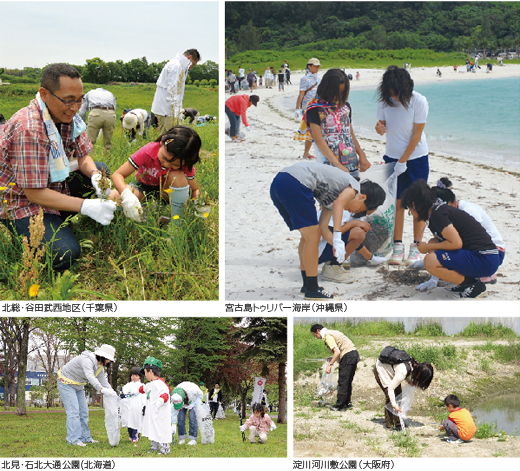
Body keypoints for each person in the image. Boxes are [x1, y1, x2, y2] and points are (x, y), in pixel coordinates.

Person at [0, 63, 117, 272]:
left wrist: (96, 175)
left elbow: (83, 156)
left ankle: (58, 217)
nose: (75, 107)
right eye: (69, 100)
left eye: (80, 100)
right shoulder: (30, 129)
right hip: (20, 200)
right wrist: (86, 206)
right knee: (65, 254)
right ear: (44, 94)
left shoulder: (67, 116)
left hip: (50, 185)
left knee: (101, 169)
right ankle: (34, 228)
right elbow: (34, 193)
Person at [270, 161, 385, 300]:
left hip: (280, 181)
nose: (353, 211)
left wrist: (336, 244)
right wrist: (337, 236)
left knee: (308, 236)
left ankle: (307, 285)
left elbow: (323, 228)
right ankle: (312, 289)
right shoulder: (354, 187)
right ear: (362, 197)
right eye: (359, 210)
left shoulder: (331, 197)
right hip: (296, 182)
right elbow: (339, 203)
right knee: (312, 237)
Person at [401, 179, 501, 298]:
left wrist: (427, 247)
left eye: (410, 210)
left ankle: (473, 285)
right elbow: (443, 242)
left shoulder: (438, 215)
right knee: (434, 242)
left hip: (484, 258)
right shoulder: (436, 211)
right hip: (483, 256)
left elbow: (456, 243)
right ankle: (466, 281)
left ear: (414, 205)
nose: (411, 213)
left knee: (430, 261)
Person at [375, 65, 429, 266]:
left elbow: (416, 135)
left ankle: (416, 246)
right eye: (391, 94)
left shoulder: (419, 101)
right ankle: (397, 246)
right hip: (392, 157)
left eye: (397, 94)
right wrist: (380, 128)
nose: (394, 98)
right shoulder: (384, 101)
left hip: (416, 158)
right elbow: (381, 125)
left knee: (417, 204)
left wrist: (404, 160)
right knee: (397, 204)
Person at [110, 125, 201, 222]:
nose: (166, 164)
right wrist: (126, 195)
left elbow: (195, 189)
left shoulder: (185, 161)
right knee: (113, 197)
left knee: (177, 176)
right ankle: (152, 208)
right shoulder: (147, 151)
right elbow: (117, 175)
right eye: (164, 157)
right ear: (162, 142)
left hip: (168, 192)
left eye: (174, 164)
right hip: (144, 188)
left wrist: (199, 202)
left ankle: (176, 219)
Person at [304, 69, 371, 178]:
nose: (337, 97)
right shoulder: (314, 110)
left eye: (342, 94)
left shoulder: (346, 107)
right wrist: (337, 165)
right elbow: (319, 140)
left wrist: (361, 154)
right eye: (335, 93)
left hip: (351, 162)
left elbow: (350, 135)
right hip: (329, 165)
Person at [57, 344, 117, 446]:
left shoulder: (100, 367)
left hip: (79, 385)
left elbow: (104, 381)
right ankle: (73, 439)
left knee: (84, 412)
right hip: (66, 383)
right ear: (102, 357)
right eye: (108, 360)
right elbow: (90, 377)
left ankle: (85, 437)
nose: (109, 362)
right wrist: (101, 390)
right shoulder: (87, 360)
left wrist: (113, 392)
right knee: (74, 411)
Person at [317, 207, 387, 283]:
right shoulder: (343, 209)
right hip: (317, 250)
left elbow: (353, 241)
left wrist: (371, 258)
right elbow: (326, 232)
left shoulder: (356, 211)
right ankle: (333, 268)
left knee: (358, 232)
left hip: (321, 248)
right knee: (358, 232)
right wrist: (352, 224)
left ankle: (331, 265)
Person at [373, 348, 434, 430]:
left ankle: (397, 422)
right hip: (381, 369)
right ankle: (390, 424)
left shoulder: (414, 365)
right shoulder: (402, 372)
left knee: (399, 395)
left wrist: (409, 381)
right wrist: (394, 406)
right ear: (420, 374)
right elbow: (391, 388)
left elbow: (406, 371)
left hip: (391, 370)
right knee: (390, 397)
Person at [310, 324, 359, 411]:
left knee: (342, 382)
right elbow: (339, 350)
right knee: (347, 381)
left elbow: (337, 352)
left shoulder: (327, 336)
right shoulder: (332, 332)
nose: (317, 337)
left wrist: (330, 365)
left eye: (315, 335)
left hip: (347, 357)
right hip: (354, 355)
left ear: (318, 331)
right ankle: (347, 403)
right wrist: (332, 358)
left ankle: (340, 406)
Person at [151, 49, 200, 133]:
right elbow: (173, 91)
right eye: (193, 64)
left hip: (164, 110)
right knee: (177, 137)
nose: (191, 67)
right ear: (189, 57)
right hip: (168, 111)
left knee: (164, 138)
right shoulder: (176, 66)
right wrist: (177, 113)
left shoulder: (176, 65)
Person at [139, 356, 172, 454]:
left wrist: (160, 401)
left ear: (150, 371)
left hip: (160, 412)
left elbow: (166, 393)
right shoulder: (151, 384)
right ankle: (155, 446)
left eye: (145, 372)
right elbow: (143, 389)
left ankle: (165, 448)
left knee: (161, 429)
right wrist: (137, 389)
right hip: (152, 412)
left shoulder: (160, 384)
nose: (144, 375)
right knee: (152, 428)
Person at [294, 58, 321, 159]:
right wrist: (297, 108)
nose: (317, 68)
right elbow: (301, 94)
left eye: (318, 66)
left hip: (318, 106)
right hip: (308, 107)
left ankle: (309, 152)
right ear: (309, 66)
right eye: (315, 66)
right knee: (311, 130)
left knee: (317, 130)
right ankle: (307, 152)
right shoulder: (304, 79)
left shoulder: (319, 79)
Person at [78, 88, 117, 153]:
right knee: (107, 143)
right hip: (111, 114)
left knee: (89, 142)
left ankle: (90, 161)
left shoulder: (89, 93)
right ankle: (107, 161)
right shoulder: (110, 94)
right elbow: (114, 107)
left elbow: (82, 112)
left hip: (96, 113)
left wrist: (83, 124)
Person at [171, 381, 204, 446]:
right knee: (180, 419)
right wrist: (173, 424)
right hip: (184, 402)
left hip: (193, 401)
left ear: (184, 397)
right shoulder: (174, 396)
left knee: (192, 419)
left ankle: (193, 439)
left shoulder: (193, 390)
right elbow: (173, 414)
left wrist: (194, 404)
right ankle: (182, 437)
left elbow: (201, 395)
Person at [121, 366, 145, 444]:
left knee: (136, 420)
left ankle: (135, 435)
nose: (134, 377)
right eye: (132, 375)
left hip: (137, 406)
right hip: (128, 406)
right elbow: (124, 394)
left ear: (140, 376)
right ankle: (131, 434)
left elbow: (143, 396)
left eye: (136, 375)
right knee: (128, 421)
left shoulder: (142, 386)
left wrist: (144, 405)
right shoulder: (127, 386)